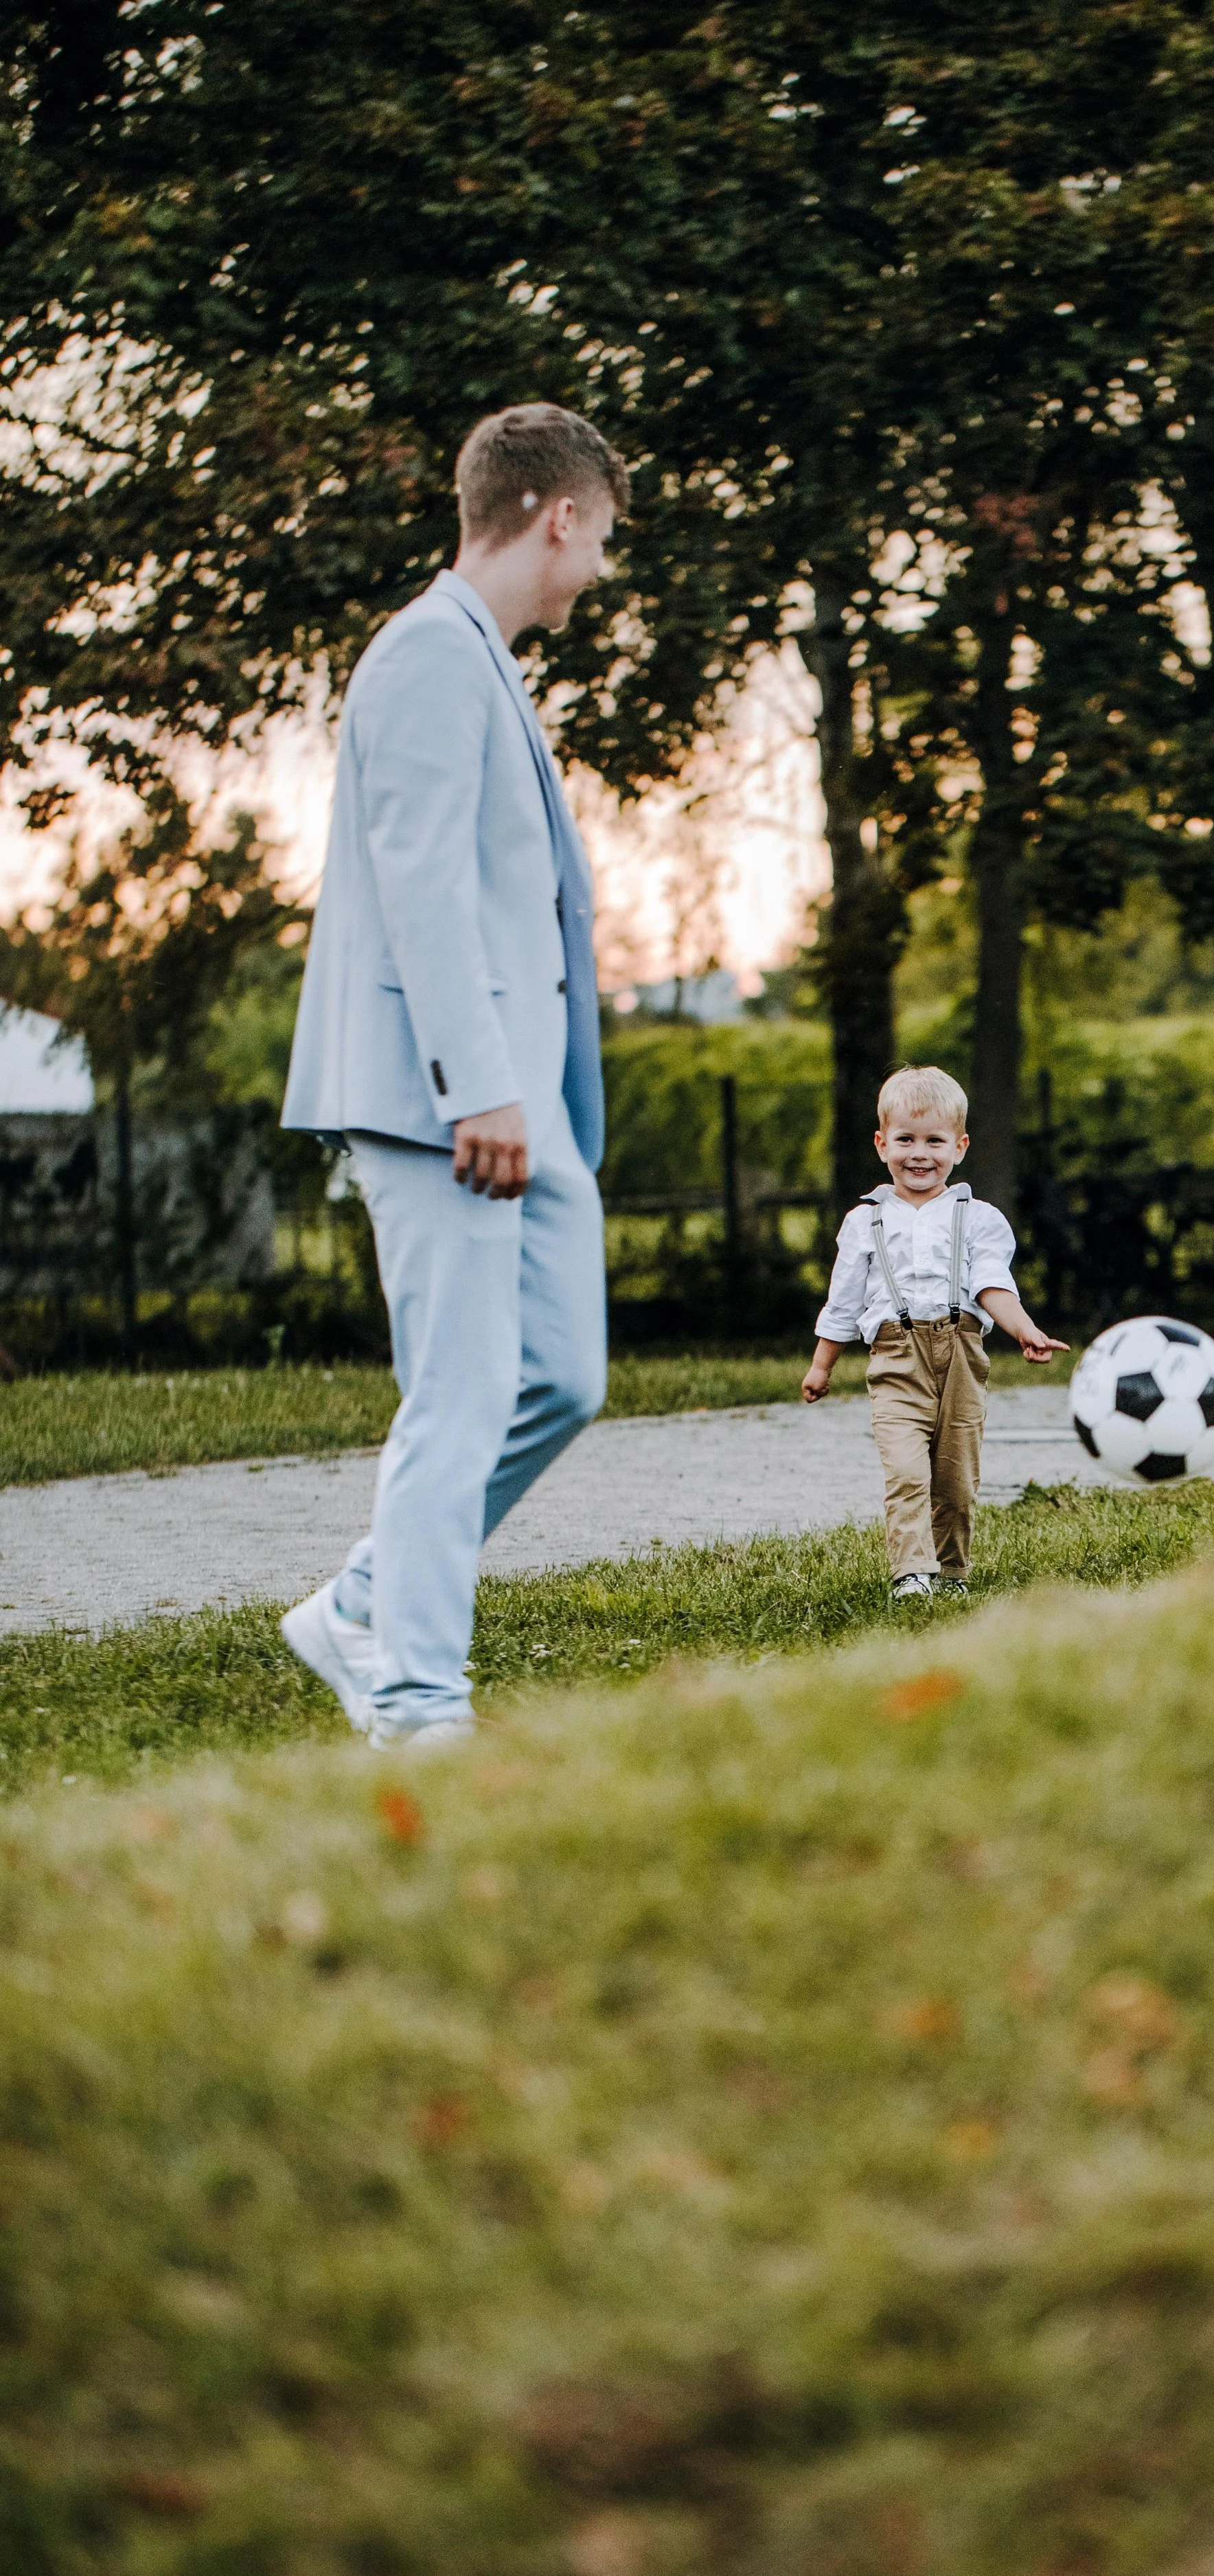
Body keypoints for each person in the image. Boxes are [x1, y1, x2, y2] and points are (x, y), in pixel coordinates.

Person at [277, 402, 627, 1748]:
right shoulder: (427, 652)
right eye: (597, 540)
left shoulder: (480, 658)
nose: (595, 570)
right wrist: (476, 1086)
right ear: (557, 516)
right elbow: (417, 880)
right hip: (447, 1104)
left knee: (563, 1381)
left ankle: (362, 1600)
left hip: (524, 1109)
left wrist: (532, 1102)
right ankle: (419, 1703)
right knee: (463, 1395)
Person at [802, 1065, 1068, 1601]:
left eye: (934, 1141)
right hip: (896, 1359)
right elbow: (845, 1300)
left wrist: (1024, 1330)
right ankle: (911, 1573)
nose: (918, 1154)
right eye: (905, 1139)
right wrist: (821, 1364)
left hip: (962, 1355)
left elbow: (993, 1285)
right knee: (905, 1471)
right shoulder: (864, 1221)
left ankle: (951, 1573)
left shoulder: (980, 1218)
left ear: (960, 1146)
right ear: (881, 1145)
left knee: (954, 1480)